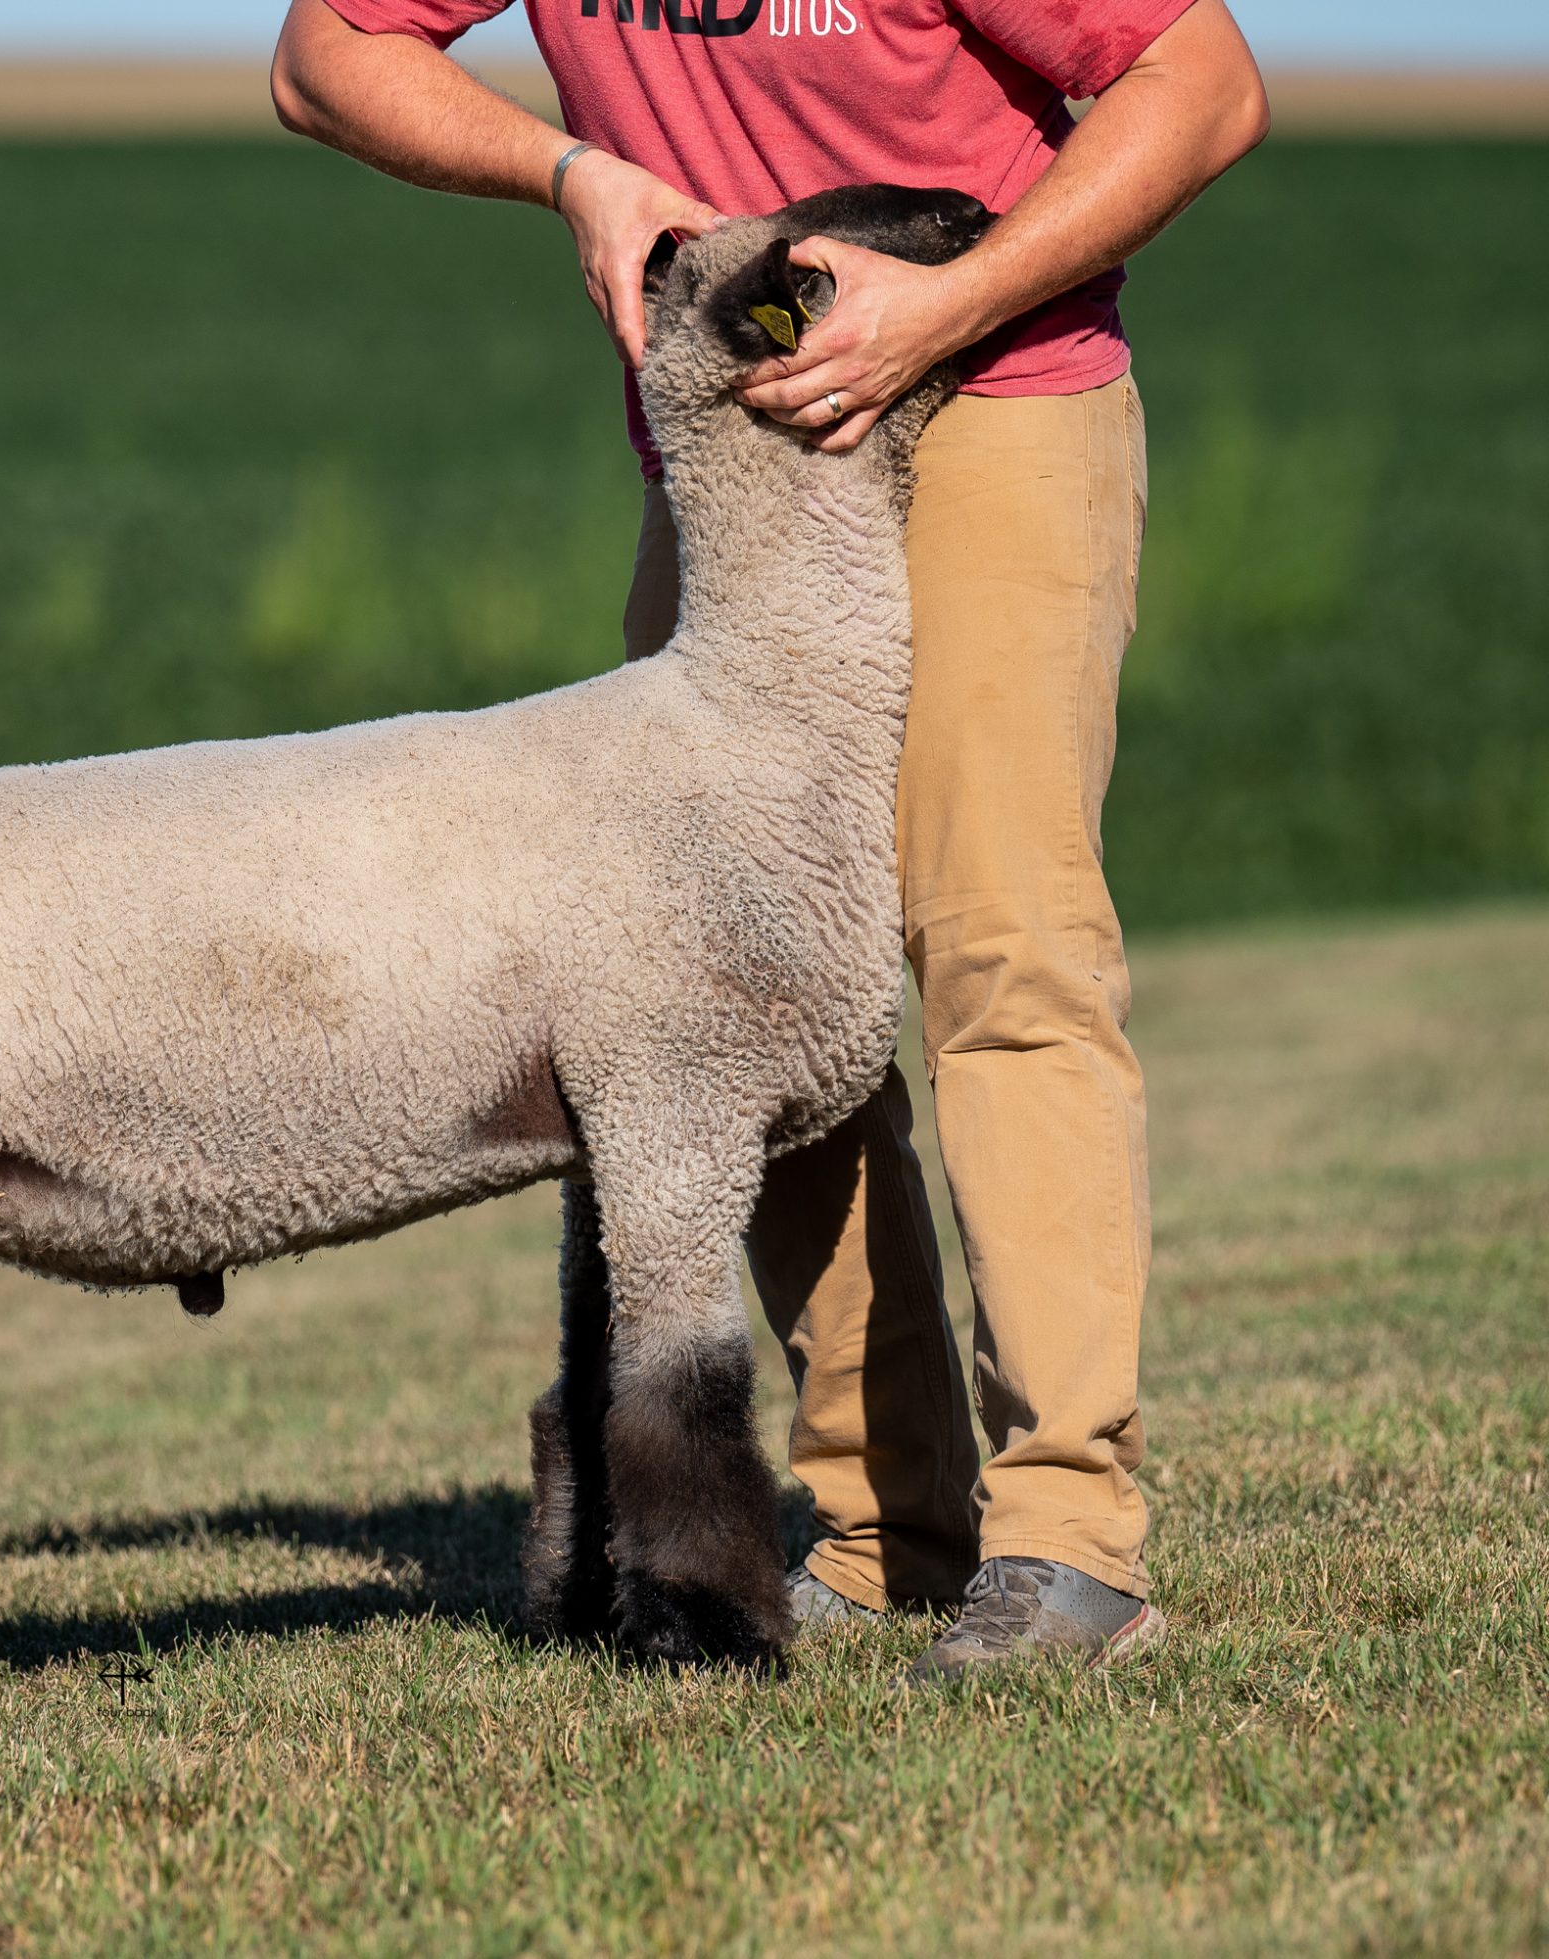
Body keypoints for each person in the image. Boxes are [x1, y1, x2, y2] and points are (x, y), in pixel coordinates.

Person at [271, 0, 1268, 1679]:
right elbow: (323, 56)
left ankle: (1069, 1540)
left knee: (1001, 943)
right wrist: (572, 173)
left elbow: (1206, 83)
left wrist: (948, 299)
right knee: (748, 993)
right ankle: (887, 1529)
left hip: (991, 385)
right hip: (744, 453)